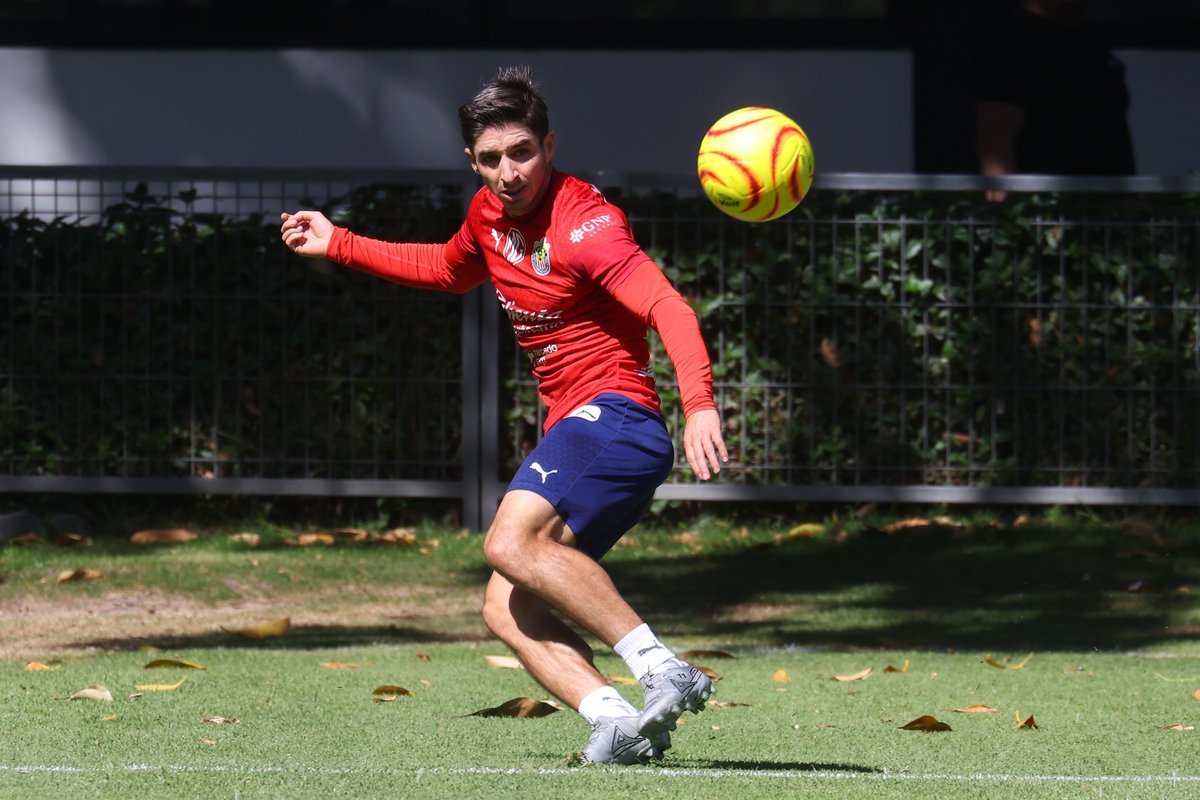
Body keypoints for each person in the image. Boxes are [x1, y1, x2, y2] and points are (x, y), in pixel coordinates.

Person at [280, 66, 729, 765]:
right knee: (505, 606)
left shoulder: (588, 227)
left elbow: (669, 306)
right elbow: (444, 270)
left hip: (616, 416)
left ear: (550, 145)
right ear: (473, 162)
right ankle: (614, 722)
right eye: (491, 159)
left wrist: (699, 404)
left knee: (507, 543)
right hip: (581, 429)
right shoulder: (487, 218)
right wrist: (339, 242)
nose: (508, 172)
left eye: (522, 152)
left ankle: (660, 668)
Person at [972, 0, 1135, 201]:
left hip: (1108, 217)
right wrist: (1005, 215)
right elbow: (995, 144)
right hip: (1048, 216)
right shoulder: (1011, 43)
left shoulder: (1094, 47)